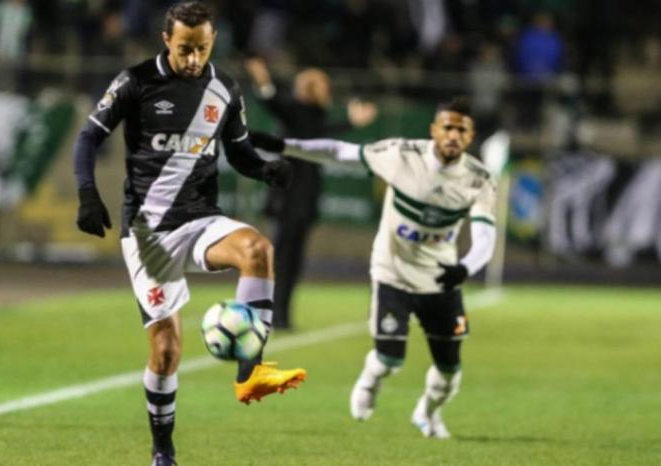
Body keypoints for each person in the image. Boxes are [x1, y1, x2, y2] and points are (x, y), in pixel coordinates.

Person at [72, 3, 306, 465]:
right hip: (148, 234)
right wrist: (87, 194)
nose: (194, 59)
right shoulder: (135, 82)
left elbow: (238, 153)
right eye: (184, 49)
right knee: (165, 352)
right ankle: (163, 453)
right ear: (166, 40)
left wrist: (265, 171)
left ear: (213, 41)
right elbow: (87, 138)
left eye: (201, 48)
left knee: (258, 249)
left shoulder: (225, 89)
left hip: (200, 219)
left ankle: (251, 372)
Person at [250, 97, 497, 439]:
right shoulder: (402, 154)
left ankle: (427, 412)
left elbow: (486, 236)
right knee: (390, 359)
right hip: (392, 271)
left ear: (471, 136)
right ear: (434, 130)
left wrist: (464, 269)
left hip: (441, 278)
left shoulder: (478, 179)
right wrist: (284, 145)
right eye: (448, 127)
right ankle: (369, 382)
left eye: (462, 129)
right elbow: (340, 152)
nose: (453, 135)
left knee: (450, 368)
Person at [244, 57, 376, 330]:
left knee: (292, 262)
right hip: (287, 198)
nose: (327, 91)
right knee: (280, 260)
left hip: (304, 201)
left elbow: (324, 135)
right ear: (312, 88)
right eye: (322, 86)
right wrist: (264, 82)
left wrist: (352, 122)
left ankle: (281, 315)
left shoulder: (314, 116)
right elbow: (274, 104)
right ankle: (267, 313)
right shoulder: (296, 110)